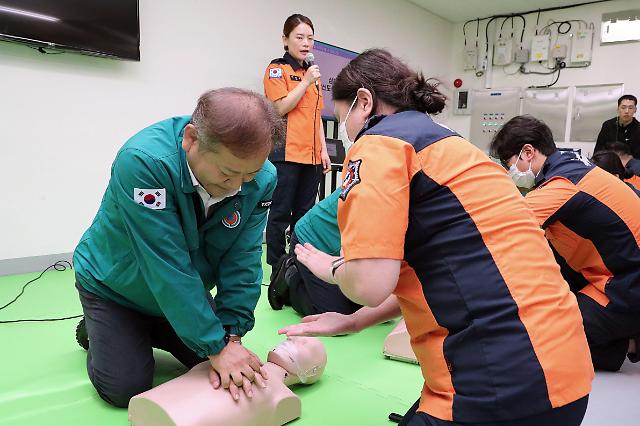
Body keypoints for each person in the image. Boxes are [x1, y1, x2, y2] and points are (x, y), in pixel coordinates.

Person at [294, 49, 593, 426]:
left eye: (343, 118)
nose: (348, 132)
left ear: (364, 101)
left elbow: (369, 283)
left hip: (497, 388)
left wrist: (333, 269)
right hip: (567, 377)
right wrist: (355, 323)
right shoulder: (458, 149)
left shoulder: (380, 143)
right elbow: (453, 274)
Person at [73, 88, 284, 407]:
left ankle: (153, 330)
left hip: (182, 294)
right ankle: (98, 328)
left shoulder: (262, 179)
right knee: (125, 389)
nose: (238, 186)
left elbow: (243, 259)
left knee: (222, 371)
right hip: (116, 289)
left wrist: (232, 334)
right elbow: (165, 264)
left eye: (250, 173)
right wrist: (216, 346)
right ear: (191, 139)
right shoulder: (144, 163)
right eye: (227, 173)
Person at [490, 115, 640, 372]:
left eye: (509, 163)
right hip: (614, 272)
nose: (509, 172)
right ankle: (620, 336)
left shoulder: (562, 186)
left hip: (626, 284)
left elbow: (499, 226)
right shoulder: (571, 165)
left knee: (547, 338)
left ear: (528, 152)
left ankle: (630, 342)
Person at [263, 13, 331, 279]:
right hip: (287, 153)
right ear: (285, 40)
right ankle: (278, 268)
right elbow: (279, 108)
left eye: (310, 38)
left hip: (312, 156)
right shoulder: (278, 70)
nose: (306, 43)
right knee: (280, 213)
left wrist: (324, 150)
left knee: (305, 214)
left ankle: (299, 265)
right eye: (299, 37)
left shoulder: (311, 75)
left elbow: (317, 118)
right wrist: (304, 83)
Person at [128, 337, 327, 426]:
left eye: (305, 343)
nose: (293, 339)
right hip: (153, 403)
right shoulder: (242, 359)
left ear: (312, 371)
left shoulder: (285, 398)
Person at [268, 188, 362, 316]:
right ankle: (291, 274)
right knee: (334, 314)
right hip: (312, 241)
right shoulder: (374, 187)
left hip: (341, 246)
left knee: (371, 307)